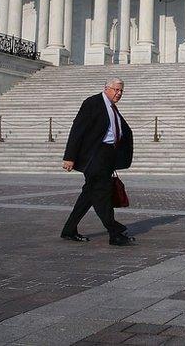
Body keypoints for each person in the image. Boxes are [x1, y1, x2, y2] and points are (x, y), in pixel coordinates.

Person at [61, 78, 135, 246]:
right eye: (115, 90)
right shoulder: (92, 103)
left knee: (89, 194)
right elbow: (77, 129)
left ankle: (69, 229)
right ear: (106, 88)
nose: (118, 93)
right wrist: (69, 157)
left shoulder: (112, 108)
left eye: (121, 91)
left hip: (108, 156)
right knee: (102, 194)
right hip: (95, 156)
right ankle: (114, 232)